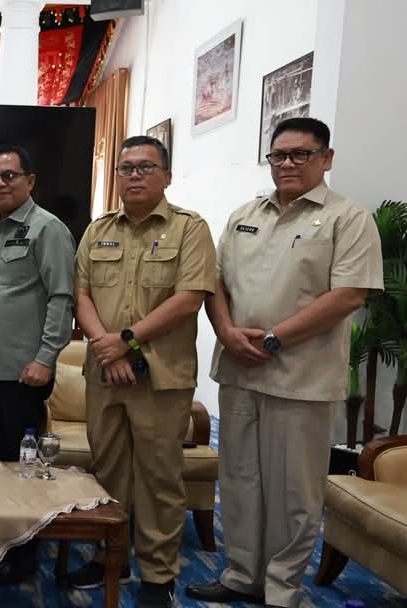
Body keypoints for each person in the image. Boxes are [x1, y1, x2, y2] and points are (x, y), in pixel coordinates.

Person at [186, 118, 383, 608]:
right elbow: (215, 284)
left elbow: (348, 295)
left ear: (326, 159)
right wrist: (226, 332)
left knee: (294, 491)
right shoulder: (244, 215)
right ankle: (240, 575)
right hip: (239, 370)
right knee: (239, 480)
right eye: (279, 155)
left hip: (302, 379)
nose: (288, 163)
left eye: (301, 154)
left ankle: (281, 589)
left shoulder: (347, 218)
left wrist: (274, 340)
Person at [70, 135, 216, 607]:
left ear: (166, 176)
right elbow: (82, 296)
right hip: (105, 373)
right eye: (125, 167)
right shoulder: (97, 230)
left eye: (145, 167)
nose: (133, 175)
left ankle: (157, 576)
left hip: (161, 377)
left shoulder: (190, 229)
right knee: (108, 472)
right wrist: (107, 349)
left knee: (158, 479)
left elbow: (189, 298)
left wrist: (126, 341)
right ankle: (109, 556)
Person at [0, 145, 75, 585]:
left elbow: (62, 298)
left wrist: (46, 359)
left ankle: (26, 551)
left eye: (9, 175)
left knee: (20, 465)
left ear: (30, 180)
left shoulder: (48, 229)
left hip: (23, 372)